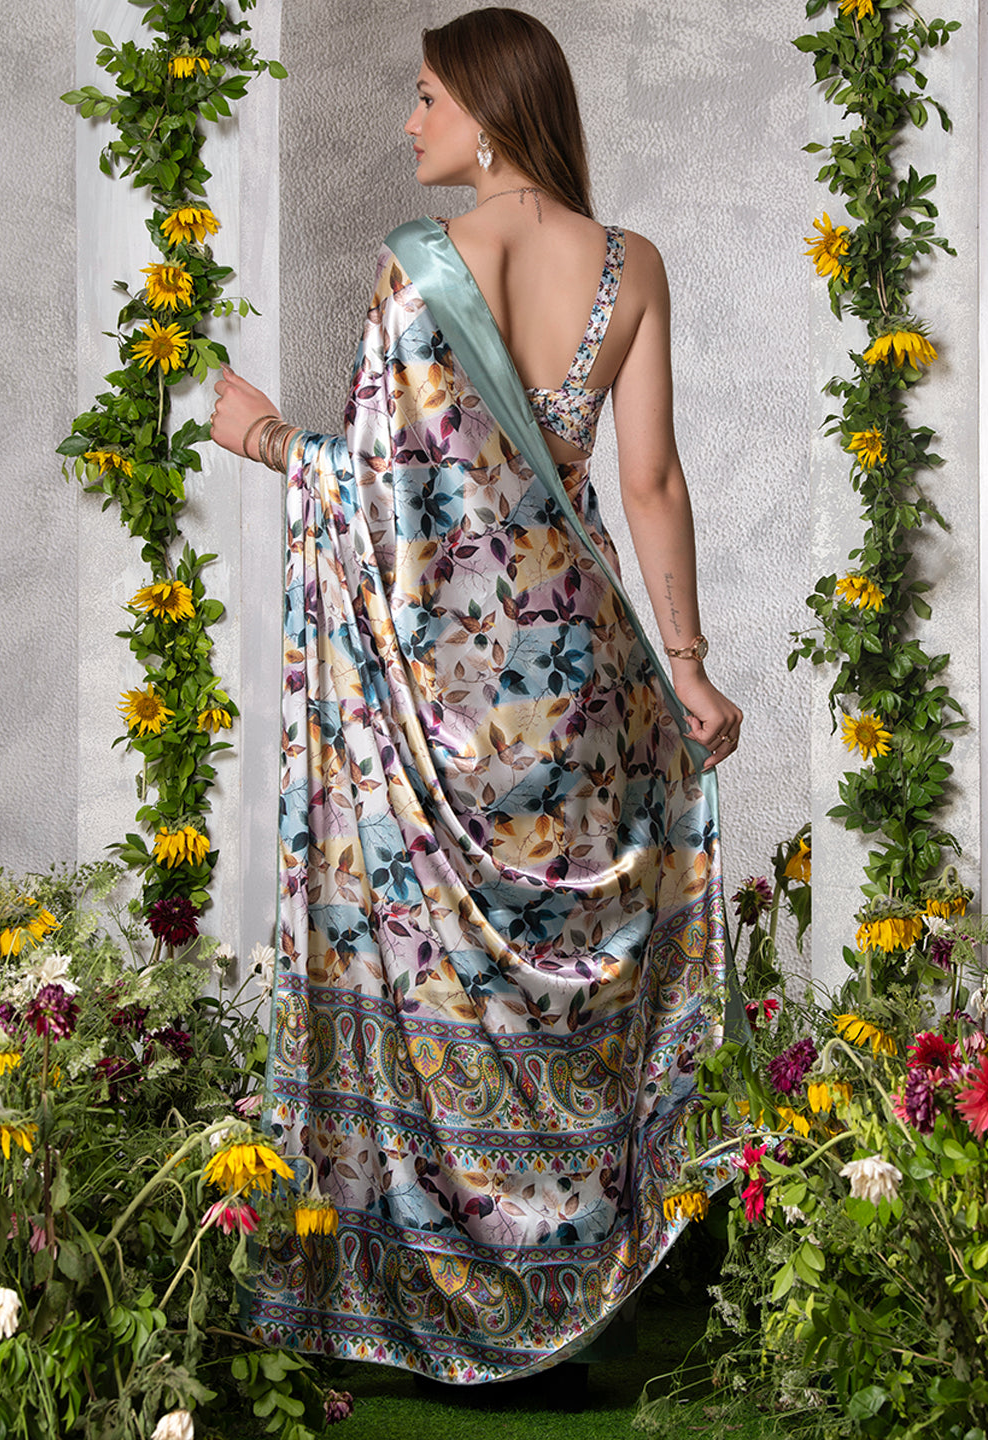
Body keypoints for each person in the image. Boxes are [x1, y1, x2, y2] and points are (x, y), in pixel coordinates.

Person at [212, 7, 744, 1384]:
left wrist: (260, 435)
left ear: (492, 114)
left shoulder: (423, 265)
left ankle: (436, 1297)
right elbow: (649, 483)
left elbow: (389, 494)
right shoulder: (632, 266)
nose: (409, 122)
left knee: (445, 971)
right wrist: (687, 668)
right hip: (580, 690)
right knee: (565, 981)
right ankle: (573, 1294)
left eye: (428, 96)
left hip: (444, 698)